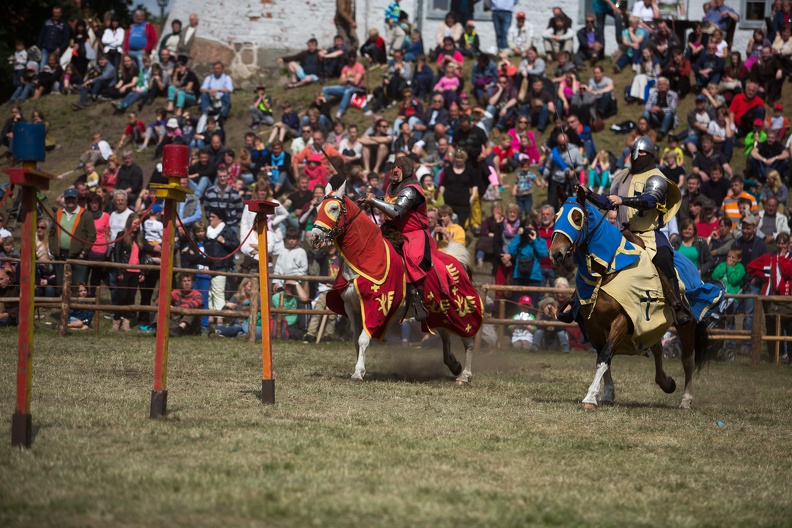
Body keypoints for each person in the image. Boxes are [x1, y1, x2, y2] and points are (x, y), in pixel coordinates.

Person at [588, 136, 691, 325]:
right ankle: (582, 302)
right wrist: (588, 194)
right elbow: (609, 201)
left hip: (649, 234)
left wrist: (623, 200)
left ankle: (677, 305)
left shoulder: (657, 177)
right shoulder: (621, 175)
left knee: (663, 256)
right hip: (623, 233)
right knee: (596, 255)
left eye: (641, 153)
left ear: (650, 155)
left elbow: (649, 201)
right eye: (635, 152)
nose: (637, 156)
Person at [358, 156, 438, 321]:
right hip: (393, 231)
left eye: (399, 167)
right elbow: (389, 202)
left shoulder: (411, 188)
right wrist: (371, 201)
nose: (394, 170)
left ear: (407, 170)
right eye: (393, 167)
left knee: (412, 260)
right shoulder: (391, 187)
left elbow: (396, 210)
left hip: (413, 235)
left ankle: (417, 297)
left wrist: (373, 200)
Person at [508, 219, 548, 310]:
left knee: (533, 307)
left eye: (531, 228)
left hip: (534, 278)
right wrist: (519, 236)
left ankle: (532, 324)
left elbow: (543, 254)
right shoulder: (519, 241)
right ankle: (517, 323)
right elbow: (511, 251)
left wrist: (534, 240)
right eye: (526, 228)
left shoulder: (540, 241)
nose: (528, 231)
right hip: (519, 277)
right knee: (517, 306)